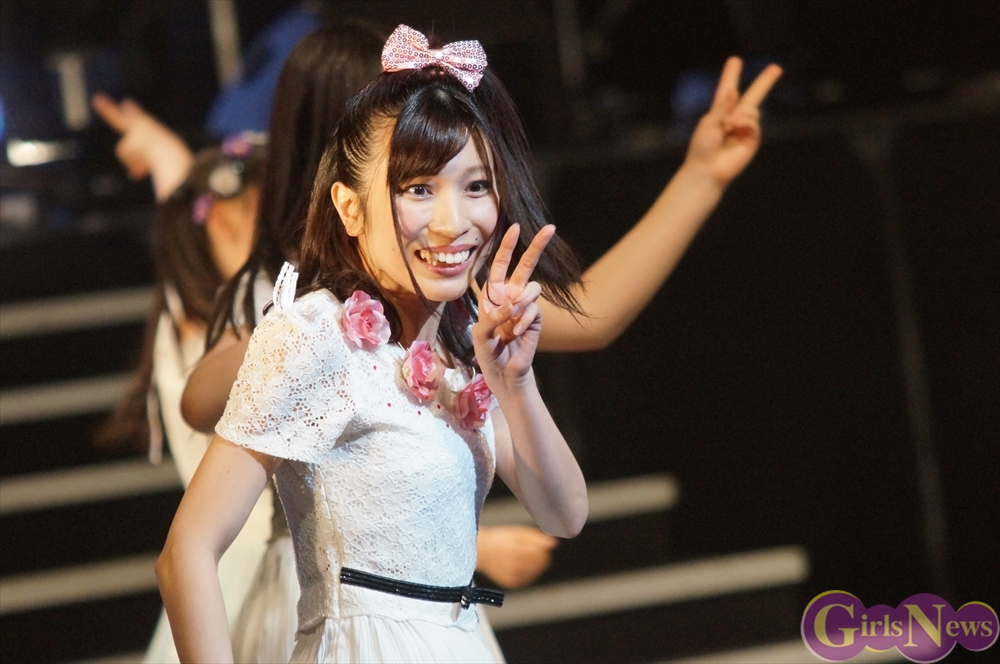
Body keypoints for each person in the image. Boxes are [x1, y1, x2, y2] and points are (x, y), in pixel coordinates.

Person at [156, 25, 589, 662]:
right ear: (349, 208)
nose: (454, 222)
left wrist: (515, 383)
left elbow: (564, 514)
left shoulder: (462, 344)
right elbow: (187, 551)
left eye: (475, 186)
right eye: (419, 189)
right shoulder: (315, 334)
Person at [88, 119, 272, 663]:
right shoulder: (229, 327)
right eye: (269, 220)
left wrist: (163, 150)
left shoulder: (200, 311)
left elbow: (183, 202)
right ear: (222, 227)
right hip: (250, 561)